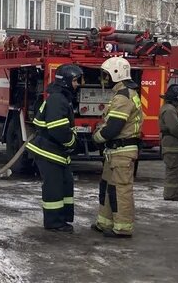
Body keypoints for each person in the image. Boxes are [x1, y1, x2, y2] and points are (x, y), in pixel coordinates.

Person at [25, 64, 82, 233]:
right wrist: (72, 143)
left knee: (64, 184)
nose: (77, 84)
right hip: (48, 151)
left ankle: (62, 218)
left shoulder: (60, 98)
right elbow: (58, 128)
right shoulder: (58, 99)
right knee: (54, 188)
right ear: (66, 82)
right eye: (75, 81)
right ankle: (54, 222)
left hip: (55, 151)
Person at [93, 56, 143, 239]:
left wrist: (96, 138)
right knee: (107, 186)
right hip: (114, 152)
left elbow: (113, 127)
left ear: (116, 74)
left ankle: (122, 228)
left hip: (122, 151)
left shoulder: (123, 97)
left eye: (106, 75)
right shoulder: (123, 94)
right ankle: (105, 222)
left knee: (121, 189)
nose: (104, 79)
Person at [160, 84, 178, 201]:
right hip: (172, 146)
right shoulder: (169, 110)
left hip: (174, 146)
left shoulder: (170, 109)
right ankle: (171, 194)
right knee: (173, 171)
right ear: (175, 98)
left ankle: (175, 193)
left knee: (177, 171)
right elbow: (175, 128)